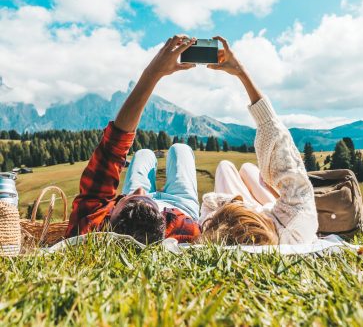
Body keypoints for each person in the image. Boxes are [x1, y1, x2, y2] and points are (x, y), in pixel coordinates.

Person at [66, 35, 201, 244]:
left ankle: (141, 202)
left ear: (109, 222)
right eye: (143, 195)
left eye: (131, 198)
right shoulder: (185, 229)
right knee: (180, 149)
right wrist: (154, 73)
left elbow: (113, 148)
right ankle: (145, 205)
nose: (139, 190)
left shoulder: (90, 223)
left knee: (143, 153)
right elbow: (113, 147)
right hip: (179, 206)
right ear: (162, 222)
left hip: (145, 216)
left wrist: (152, 73)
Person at [199, 36, 318, 245]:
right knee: (246, 168)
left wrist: (240, 205)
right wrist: (241, 72)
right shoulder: (297, 221)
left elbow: (211, 202)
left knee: (226, 166)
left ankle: (253, 192)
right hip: (273, 214)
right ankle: (256, 192)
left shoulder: (298, 223)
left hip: (262, 213)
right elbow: (275, 133)